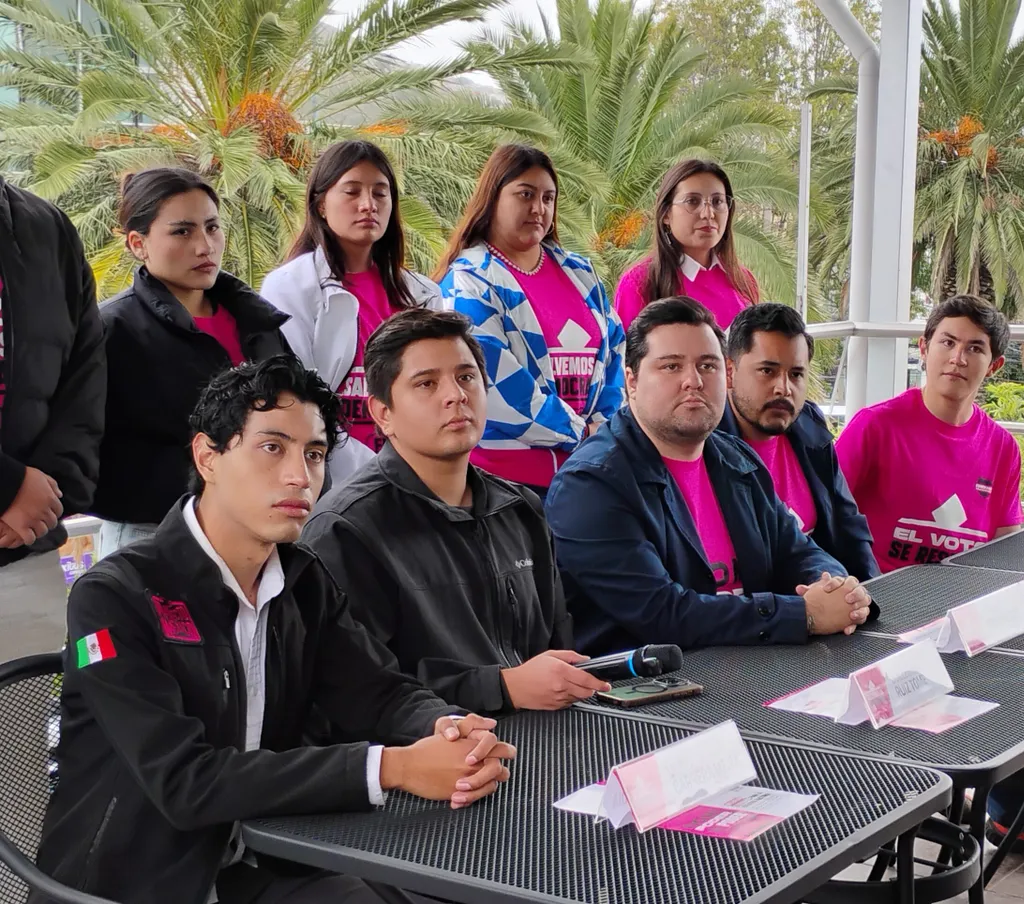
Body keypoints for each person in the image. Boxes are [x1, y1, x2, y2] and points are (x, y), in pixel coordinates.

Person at [36, 356, 515, 904]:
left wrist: (449, 728)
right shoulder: (116, 595)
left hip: (269, 860)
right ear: (207, 456)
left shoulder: (302, 581)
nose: (299, 476)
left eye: (314, 454)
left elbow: (377, 692)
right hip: (134, 881)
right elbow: (184, 782)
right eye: (272, 447)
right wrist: (393, 767)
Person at [835, 294, 1024, 866]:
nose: (957, 359)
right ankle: (981, 808)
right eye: (946, 343)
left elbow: (1012, 550)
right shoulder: (875, 427)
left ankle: (1017, 811)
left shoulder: (1001, 447)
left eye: (974, 349)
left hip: (961, 619)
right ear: (923, 349)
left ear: (995, 366)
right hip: (882, 618)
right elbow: (823, 519)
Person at [302, 308, 609, 714]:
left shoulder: (520, 509)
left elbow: (554, 643)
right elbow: (355, 688)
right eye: (426, 383)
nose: (456, 396)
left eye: (466, 377)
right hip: (432, 756)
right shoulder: (346, 529)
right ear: (383, 414)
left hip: (550, 737)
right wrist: (501, 687)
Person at [545, 297, 872, 656]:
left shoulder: (736, 459)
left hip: (752, 667)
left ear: (726, 375)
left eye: (708, 365)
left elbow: (796, 550)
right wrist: (802, 615)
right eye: (671, 367)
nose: (693, 381)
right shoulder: (590, 485)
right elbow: (663, 615)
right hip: (644, 693)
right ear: (632, 382)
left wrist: (831, 585)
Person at [91, 168, 291, 558]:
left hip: (259, 532)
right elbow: (89, 447)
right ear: (138, 243)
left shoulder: (259, 323)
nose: (205, 246)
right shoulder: (112, 330)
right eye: (182, 231)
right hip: (154, 535)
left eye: (213, 227)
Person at [436, 143, 625, 499]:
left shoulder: (581, 274)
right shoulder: (470, 280)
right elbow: (491, 381)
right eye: (525, 194)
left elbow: (617, 352)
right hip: (504, 484)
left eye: (548, 198)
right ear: (493, 198)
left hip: (590, 473)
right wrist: (582, 433)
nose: (538, 208)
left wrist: (606, 426)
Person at [261, 140, 443, 488]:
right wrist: (375, 473)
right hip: (330, 484)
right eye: (351, 191)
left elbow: (437, 392)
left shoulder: (422, 294)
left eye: (380, 193)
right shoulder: (290, 288)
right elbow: (298, 398)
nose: (367, 205)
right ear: (321, 204)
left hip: (418, 480)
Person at [0, 175, 105, 661]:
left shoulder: (46, 227)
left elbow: (84, 377)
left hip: (22, 551)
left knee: (16, 734)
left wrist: (46, 495)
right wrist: (8, 486)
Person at [718, 303, 878, 583]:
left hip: (828, 597)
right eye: (767, 371)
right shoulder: (706, 445)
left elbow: (848, 524)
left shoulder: (808, 424)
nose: (784, 388)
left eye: (796, 374)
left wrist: (874, 595)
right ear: (730, 372)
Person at [612, 159, 759, 331]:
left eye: (717, 201)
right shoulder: (639, 283)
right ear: (666, 213)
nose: (708, 213)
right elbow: (626, 356)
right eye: (692, 201)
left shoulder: (744, 281)